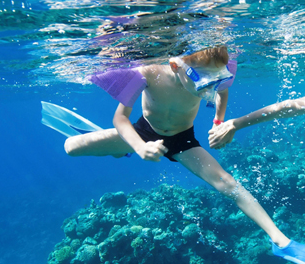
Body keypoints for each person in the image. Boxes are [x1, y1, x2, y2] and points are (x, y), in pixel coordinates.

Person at [62, 46, 290, 249]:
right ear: (175, 66)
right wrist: (141, 147)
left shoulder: (214, 73)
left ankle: (278, 237)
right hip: (144, 133)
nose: (208, 90)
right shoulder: (147, 73)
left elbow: (223, 91)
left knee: (226, 182)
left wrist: (218, 122)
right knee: (70, 147)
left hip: (182, 140)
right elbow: (120, 118)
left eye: (216, 79)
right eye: (204, 82)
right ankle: (123, 148)